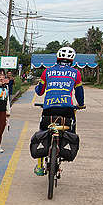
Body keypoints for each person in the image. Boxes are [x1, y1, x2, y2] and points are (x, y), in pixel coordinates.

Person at [33, 46, 85, 176]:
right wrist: (81, 104)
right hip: (67, 109)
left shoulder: (47, 72)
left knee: (43, 132)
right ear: (72, 60)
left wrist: (37, 88)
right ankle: (64, 151)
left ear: (57, 58)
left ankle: (39, 166)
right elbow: (79, 92)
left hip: (49, 108)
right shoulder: (76, 73)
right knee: (70, 130)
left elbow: (40, 92)